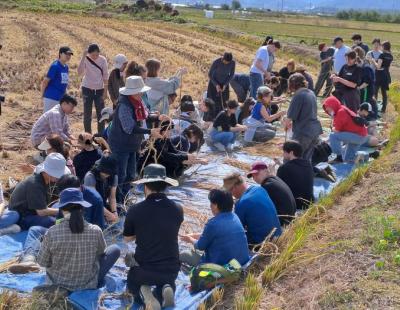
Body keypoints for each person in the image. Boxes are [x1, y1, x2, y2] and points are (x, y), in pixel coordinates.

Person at [34, 188, 120, 291]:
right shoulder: (96, 230)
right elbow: (100, 254)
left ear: (62, 209)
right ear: (83, 208)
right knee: (115, 249)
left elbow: (42, 262)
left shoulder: (52, 232)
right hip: (87, 284)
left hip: (57, 284)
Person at [123, 164, 183, 310]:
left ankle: (146, 296)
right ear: (165, 185)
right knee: (165, 279)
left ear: (145, 186)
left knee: (132, 282)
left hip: (145, 269)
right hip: (172, 269)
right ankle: (166, 288)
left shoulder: (135, 210)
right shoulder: (178, 209)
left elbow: (127, 239)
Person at [108, 76, 161, 202]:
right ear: (132, 92)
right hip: (120, 144)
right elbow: (129, 128)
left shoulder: (138, 102)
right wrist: (150, 131)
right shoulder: (124, 106)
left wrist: (158, 118)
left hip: (133, 144)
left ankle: (126, 196)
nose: (142, 93)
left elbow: (146, 116)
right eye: (139, 91)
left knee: (131, 174)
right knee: (121, 175)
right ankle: (118, 201)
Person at [180, 189, 250, 267]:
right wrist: (193, 235)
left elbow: (200, 246)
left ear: (216, 205)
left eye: (211, 203)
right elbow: (214, 234)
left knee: (184, 254)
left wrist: (189, 239)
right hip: (242, 263)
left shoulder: (213, 223)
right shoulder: (235, 216)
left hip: (224, 269)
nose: (210, 206)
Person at [8, 153, 70, 229]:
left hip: (35, 210)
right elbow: (41, 212)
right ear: (47, 172)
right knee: (54, 222)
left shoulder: (47, 179)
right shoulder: (35, 184)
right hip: (23, 216)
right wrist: (63, 211)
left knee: (60, 210)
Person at [223, 173, 282, 245]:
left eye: (229, 191)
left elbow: (236, 230)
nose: (231, 195)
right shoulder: (259, 189)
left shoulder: (242, 203)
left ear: (234, 187)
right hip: (278, 236)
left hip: (263, 243)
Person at [138, 120, 204, 179]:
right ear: (163, 131)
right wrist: (187, 157)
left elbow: (175, 151)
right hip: (147, 167)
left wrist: (189, 156)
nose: (171, 133)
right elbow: (166, 156)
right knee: (176, 162)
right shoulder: (156, 141)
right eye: (169, 131)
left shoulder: (166, 139)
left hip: (158, 162)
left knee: (178, 159)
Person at [323, 96, 378, 163]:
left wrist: (327, 139)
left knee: (333, 136)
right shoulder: (342, 109)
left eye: (328, 109)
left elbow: (337, 131)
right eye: (327, 111)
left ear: (333, 105)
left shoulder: (340, 112)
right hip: (360, 135)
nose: (328, 112)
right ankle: (369, 155)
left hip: (358, 136)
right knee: (348, 159)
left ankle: (339, 157)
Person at [284, 73, 323, 161]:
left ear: (291, 84)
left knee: (290, 158)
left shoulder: (298, 96)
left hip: (303, 132)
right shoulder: (311, 93)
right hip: (314, 131)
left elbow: (289, 119)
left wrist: (285, 124)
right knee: (305, 160)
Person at [247, 161, 296, 226]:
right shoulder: (275, 179)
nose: (254, 178)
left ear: (266, 171)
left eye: (256, 174)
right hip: (290, 217)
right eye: (252, 176)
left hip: (283, 222)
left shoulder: (267, 185)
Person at [78, 43, 109, 134]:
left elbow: (105, 75)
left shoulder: (103, 60)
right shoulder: (86, 59)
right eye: (93, 55)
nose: (95, 57)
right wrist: (83, 56)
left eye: (97, 54)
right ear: (89, 53)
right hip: (87, 89)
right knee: (87, 114)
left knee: (101, 114)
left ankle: (101, 135)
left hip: (99, 90)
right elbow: (79, 72)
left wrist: (105, 91)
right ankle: (88, 135)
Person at [277, 141, 314, 210]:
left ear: (291, 153)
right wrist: (280, 164)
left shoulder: (284, 168)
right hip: (309, 201)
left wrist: (271, 173)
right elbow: (294, 170)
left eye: (284, 152)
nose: (283, 154)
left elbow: (276, 187)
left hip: (295, 204)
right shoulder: (308, 164)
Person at [84, 155, 119, 223]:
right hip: (89, 205)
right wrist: (109, 214)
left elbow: (112, 197)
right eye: (104, 171)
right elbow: (93, 200)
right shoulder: (90, 177)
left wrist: (114, 212)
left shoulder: (114, 176)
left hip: (102, 204)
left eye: (109, 173)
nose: (106, 175)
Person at [41, 46, 73, 112]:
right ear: (60, 54)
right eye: (66, 54)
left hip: (60, 99)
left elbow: (63, 83)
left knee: (57, 120)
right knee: (48, 120)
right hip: (51, 98)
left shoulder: (66, 67)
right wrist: (42, 95)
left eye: (70, 54)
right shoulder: (55, 66)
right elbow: (45, 81)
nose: (68, 56)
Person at [371, 41, 393, 114]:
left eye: (381, 46)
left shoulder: (382, 55)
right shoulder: (390, 56)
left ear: (383, 47)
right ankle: (383, 109)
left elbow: (378, 66)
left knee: (375, 92)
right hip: (386, 75)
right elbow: (387, 67)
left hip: (379, 75)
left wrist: (374, 61)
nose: (380, 47)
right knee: (384, 93)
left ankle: (374, 109)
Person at [354, 47, 376, 113]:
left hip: (366, 90)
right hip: (362, 90)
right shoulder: (360, 66)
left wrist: (358, 88)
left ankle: (366, 120)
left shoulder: (366, 67)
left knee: (364, 106)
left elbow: (366, 82)